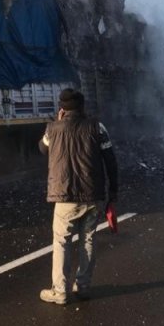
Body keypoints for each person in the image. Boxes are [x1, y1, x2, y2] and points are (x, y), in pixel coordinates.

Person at [38, 88, 118, 305]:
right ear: (83, 106)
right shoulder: (97, 127)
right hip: (92, 194)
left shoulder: (52, 129)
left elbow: (42, 149)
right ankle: (82, 286)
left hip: (64, 196)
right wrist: (113, 193)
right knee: (88, 239)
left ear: (62, 108)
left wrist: (57, 122)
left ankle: (60, 290)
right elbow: (110, 160)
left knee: (62, 242)